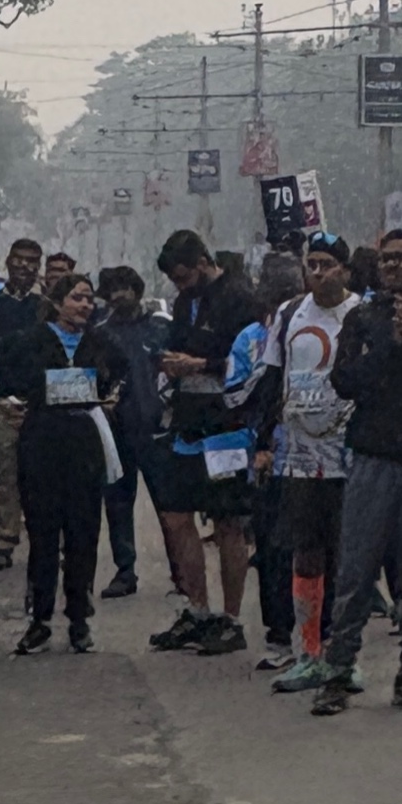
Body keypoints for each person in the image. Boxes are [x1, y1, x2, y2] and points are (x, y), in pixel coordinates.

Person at [323, 226, 402, 707]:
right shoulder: (361, 319)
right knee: (356, 568)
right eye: (387, 259)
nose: (395, 266)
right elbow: (343, 381)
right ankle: (339, 670)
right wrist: (386, 351)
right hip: (373, 456)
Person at [0, 270, 125, 656]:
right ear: (56, 302)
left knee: (83, 532)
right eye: (76, 297)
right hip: (41, 440)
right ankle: (39, 619)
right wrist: (13, 403)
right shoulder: (31, 340)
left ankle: (79, 617)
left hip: (84, 441)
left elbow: (119, 373)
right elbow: (8, 377)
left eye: (89, 298)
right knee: (42, 535)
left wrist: (110, 394)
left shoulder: (100, 341)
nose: (85, 305)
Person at [147, 231, 257, 655]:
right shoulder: (183, 303)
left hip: (226, 425)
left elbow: (251, 362)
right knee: (175, 515)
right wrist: (171, 364)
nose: (181, 286)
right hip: (188, 421)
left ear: (203, 263)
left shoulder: (238, 298)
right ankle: (197, 610)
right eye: (175, 281)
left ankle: (231, 618)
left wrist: (203, 364)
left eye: (185, 277)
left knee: (228, 521)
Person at [264, 242, 360, 706]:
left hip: (352, 455)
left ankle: (345, 655)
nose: (318, 273)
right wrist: (263, 442)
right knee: (306, 551)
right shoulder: (288, 315)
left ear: (345, 270)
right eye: (312, 265)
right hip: (299, 456)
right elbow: (270, 377)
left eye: (328, 265)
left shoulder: (362, 314)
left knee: (349, 556)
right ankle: (308, 649)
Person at [228, 253, 304, 664]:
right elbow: (234, 395)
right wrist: (269, 368)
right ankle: (279, 635)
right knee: (273, 550)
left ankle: (321, 637)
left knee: (318, 549)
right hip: (266, 460)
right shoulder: (250, 339)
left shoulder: (325, 331)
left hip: (320, 459)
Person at [92, 266, 169, 599]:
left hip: (156, 428)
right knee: (118, 503)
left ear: (137, 290)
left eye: (125, 288)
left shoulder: (160, 328)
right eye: (112, 290)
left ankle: (182, 571)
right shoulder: (99, 334)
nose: (119, 295)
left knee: (170, 505)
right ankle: (125, 571)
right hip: (115, 429)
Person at [0, 234, 43, 572]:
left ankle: (46, 539)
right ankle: (3, 540)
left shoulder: (46, 309)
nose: (25, 266)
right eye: (20, 259)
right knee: (3, 475)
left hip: (40, 405)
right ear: (8, 262)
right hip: (1, 402)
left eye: (32, 261)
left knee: (42, 475)